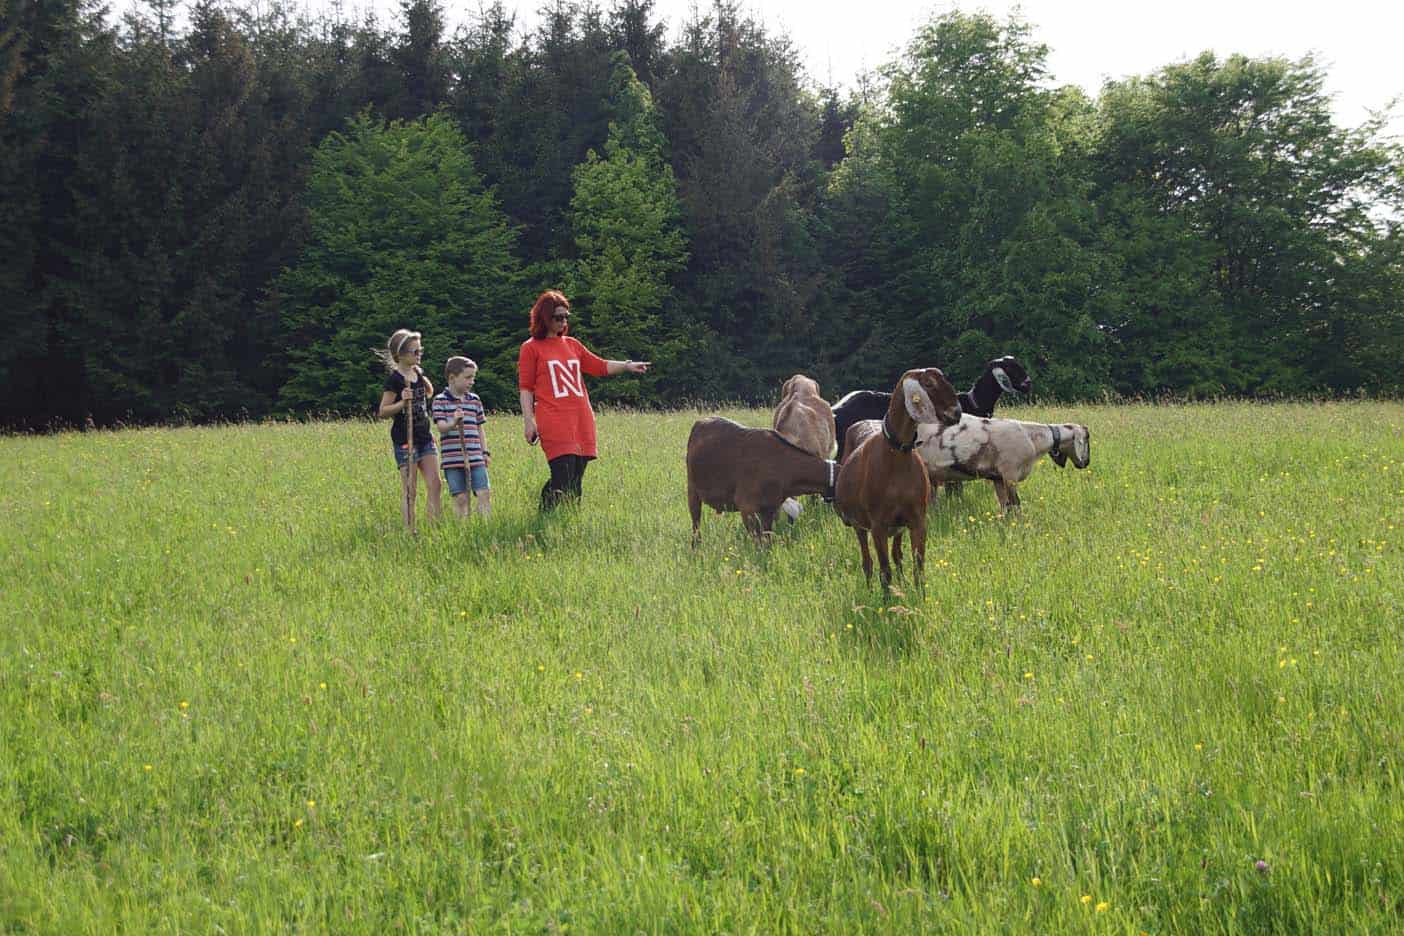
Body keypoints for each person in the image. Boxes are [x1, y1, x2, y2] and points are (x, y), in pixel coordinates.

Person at [517, 290, 650, 509]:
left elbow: (599, 366)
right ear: (544, 317)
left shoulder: (572, 345)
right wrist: (528, 421)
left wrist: (627, 366)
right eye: (557, 317)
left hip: (581, 418)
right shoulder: (530, 348)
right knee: (563, 474)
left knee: (577, 477)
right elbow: (526, 388)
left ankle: (569, 520)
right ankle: (545, 515)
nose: (563, 321)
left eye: (565, 317)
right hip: (553, 419)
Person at [376, 329, 441, 529]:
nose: (419, 353)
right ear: (401, 355)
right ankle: (409, 530)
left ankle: (434, 527)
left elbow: (429, 393)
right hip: (405, 439)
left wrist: (422, 378)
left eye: (420, 350)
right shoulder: (394, 380)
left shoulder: (417, 373)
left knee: (436, 484)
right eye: (415, 351)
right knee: (410, 490)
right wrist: (402, 403)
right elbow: (383, 411)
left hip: (425, 436)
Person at [433, 356, 491, 518]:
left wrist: (485, 452)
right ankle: (463, 528)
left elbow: (480, 429)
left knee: (484, 492)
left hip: (475, 456)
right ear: (452, 378)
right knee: (461, 498)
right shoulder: (440, 401)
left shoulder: (474, 400)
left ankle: (486, 526)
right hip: (452, 459)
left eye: (473, 377)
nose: (471, 381)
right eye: (467, 377)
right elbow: (441, 427)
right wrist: (454, 422)